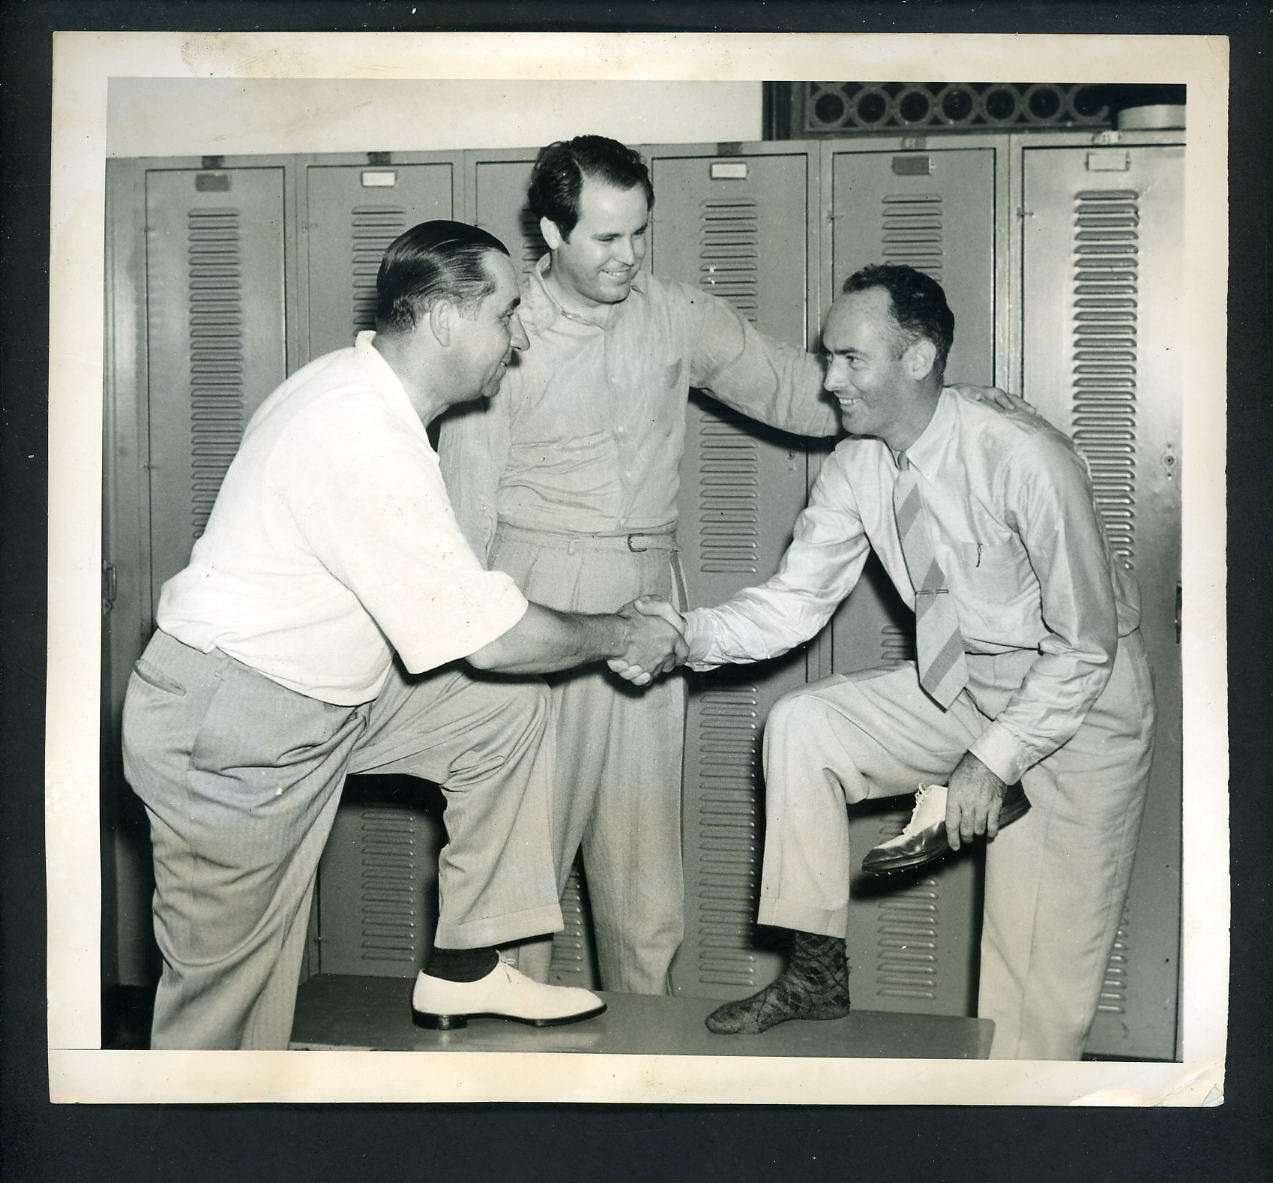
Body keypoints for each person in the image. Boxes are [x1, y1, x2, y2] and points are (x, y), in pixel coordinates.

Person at [438, 135, 1016, 995]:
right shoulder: (506, 336)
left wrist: (941, 399)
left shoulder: (677, 315)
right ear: (552, 233)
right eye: (605, 238)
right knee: (523, 868)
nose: (628, 257)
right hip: (536, 605)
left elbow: (804, 391)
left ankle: (640, 1069)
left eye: (640, 233)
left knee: (645, 877)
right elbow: (462, 512)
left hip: (647, 606)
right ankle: (513, 1075)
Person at [121, 220, 685, 1050]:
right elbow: (492, 638)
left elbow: (468, 645)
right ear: (444, 320)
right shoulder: (362, 434)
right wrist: (622, 631)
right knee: (227, 1017)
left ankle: (467, 963)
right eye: (506, 314)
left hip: (316, 698)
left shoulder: (359, 388)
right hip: (231, 729)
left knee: (496, 714)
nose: (520, 335)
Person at [638, 263, 1156, 1060]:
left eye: (850, 358)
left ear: (916, 360)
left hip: (1077, 704)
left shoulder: (1021, 458)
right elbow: (793, 604)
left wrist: (993, 760)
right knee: (803, 725)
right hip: (965, 683)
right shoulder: (858, 466)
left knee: (1032, 994)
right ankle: (815, 970)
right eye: (827, 356)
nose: (828, 379)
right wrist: (686, 635)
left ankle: (1017, 1133)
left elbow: (1083, 645)